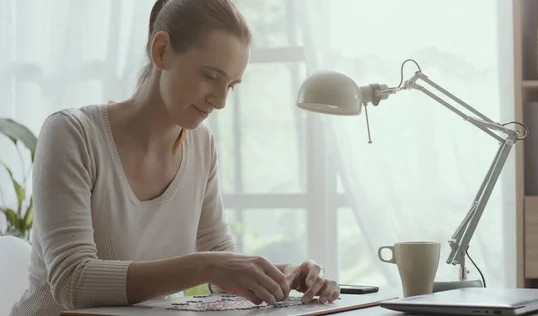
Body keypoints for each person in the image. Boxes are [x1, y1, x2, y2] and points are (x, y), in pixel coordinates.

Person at [9, 0, 340, 315]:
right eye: (210, 76)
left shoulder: (202, 146)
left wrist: (285, 274)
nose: (220, 101)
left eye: (231, 86)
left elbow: (220, 262)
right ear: (162, 51)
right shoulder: (72, 134)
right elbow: (72, 282)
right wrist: (207, 265)